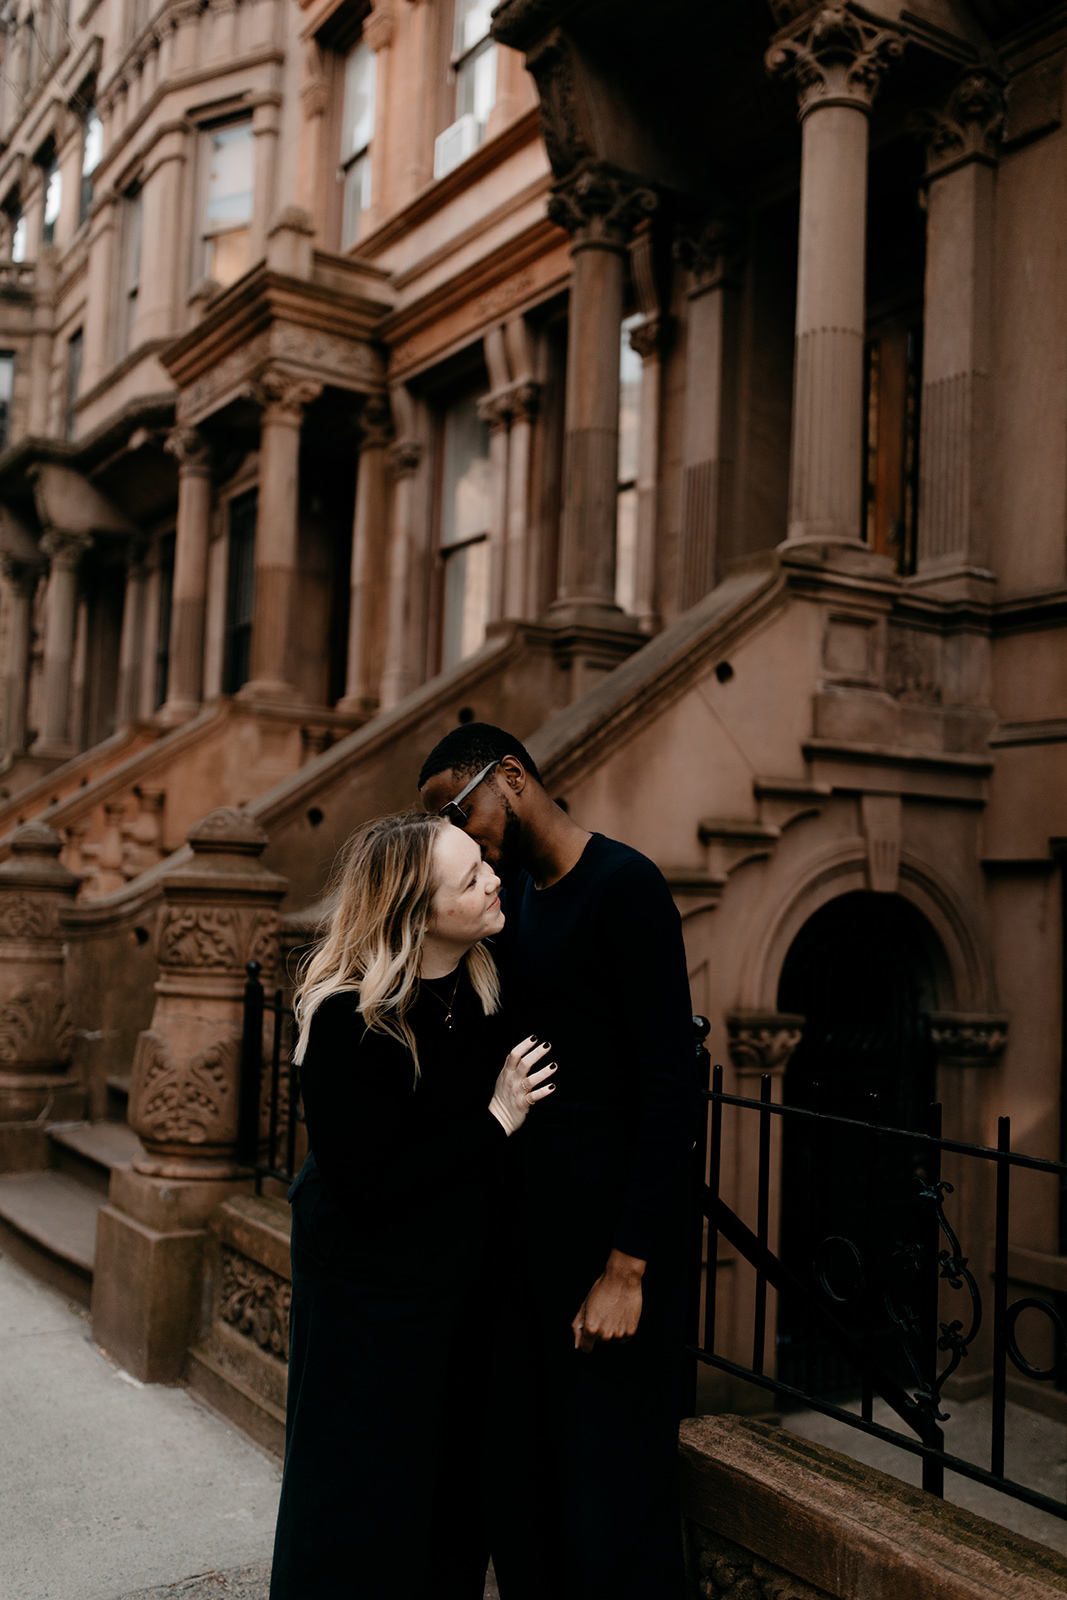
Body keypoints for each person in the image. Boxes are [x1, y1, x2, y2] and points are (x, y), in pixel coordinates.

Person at [418, 725, 696, 1600]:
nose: (457, 839)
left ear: (511, 778)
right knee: (525, 1506)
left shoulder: (626, 888)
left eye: (456, 813)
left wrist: (629, 1266)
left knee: (613, 1518)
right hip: (527, 1257)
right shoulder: (518, 903)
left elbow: (669, 1089)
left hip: (611, 1261)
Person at [269, 811, 555, 1600]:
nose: (497, 879)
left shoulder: (487, 982)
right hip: (366, 1291)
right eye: (470, 879)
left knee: (446, 1501)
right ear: (418, 914)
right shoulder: (345, 1018)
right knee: (359, 1494)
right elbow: (367, 1183)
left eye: (482, 862)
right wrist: (494, 1120)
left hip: (459, 1286)